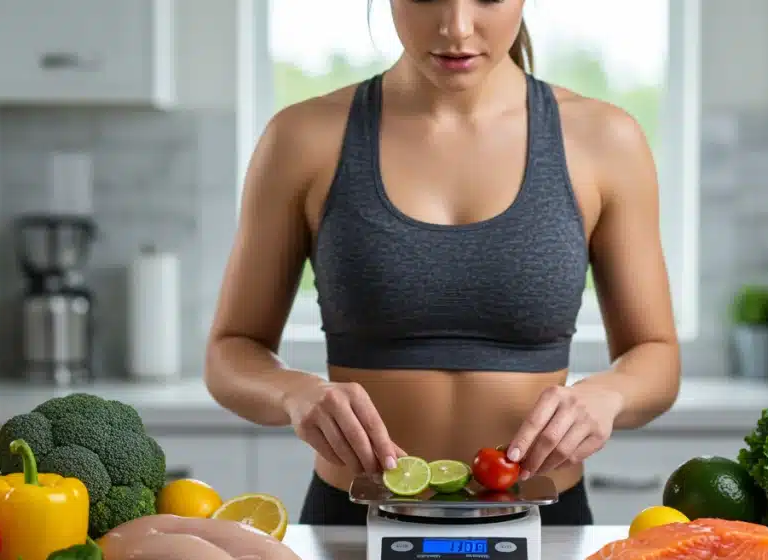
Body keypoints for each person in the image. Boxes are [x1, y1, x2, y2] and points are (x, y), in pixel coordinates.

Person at [204, 0, 680, 527]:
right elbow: (231, 353)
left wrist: (608, 395)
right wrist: (295, 392)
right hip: (353, 524)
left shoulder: (605, 140)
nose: (456, 27)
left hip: (545, 525)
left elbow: (655, 357)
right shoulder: (302, 138)